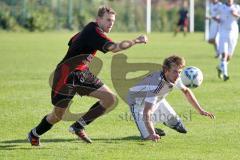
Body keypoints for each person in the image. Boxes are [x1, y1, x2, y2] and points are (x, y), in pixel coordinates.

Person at [28, 6, 148, 146]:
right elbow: (115, 48)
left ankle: (78, 126)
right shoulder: (94, 31)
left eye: (113, 21)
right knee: (57, 116)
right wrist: (137, 40)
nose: (111, 24)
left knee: (110, 99)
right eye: (108, 20)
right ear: (98, 20)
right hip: (66, 76)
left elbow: (72, 40)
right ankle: (34, 134)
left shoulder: (90, 30)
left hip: (81, 73)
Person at [127, 55, 215, 142]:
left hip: (158, 100)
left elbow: (186, 91)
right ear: (166, 70)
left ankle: (164, 122)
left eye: (179, 72)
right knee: (148, 137)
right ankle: (153, 129)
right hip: (138, 105)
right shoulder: (156, 84)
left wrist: (200, 110)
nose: (177, 75)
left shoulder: (175, 77)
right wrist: (152, 133)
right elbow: (147, 111)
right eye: (175, 72)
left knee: (178, 125)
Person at [213, 0, 240, 81]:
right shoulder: (221, 7)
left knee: (229, 56)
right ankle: (225, 74)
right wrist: (216, 18)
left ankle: (220, 67)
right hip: (223, 32)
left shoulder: (237, 7)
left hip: (234, 33)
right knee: (224, 54)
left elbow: (238, 16)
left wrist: (236, 14)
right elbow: (214, 15)